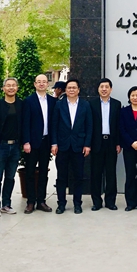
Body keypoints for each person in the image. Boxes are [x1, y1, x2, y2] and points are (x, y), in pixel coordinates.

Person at [51, 79, 92, 214]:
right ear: (66, 90)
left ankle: (77, 204)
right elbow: (54, 125)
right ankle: (61, 204)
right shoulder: (59, 104)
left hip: (78, 146)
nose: (72, 90)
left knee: (78, 176)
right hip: (62, 146)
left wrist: (87, 144)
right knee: (61, 177)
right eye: (69, 88)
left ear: (78, 90)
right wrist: (54, 143)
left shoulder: (85, 105)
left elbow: (89, 126)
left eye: (74, 88)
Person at [21, 74, 55, 214]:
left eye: (44, 82)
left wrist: (54, 143)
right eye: (39, 82)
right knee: (29, 172)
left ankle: (41, 201)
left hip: (46, 142)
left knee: (43, 172)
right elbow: (25, 123)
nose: (41, 84)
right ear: (35, 84)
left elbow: (54, 124)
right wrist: (26, 141)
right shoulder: (28, 101)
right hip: (32, 142)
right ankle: (30, 201)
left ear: (47, 84)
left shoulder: (53, 101)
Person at [0, 77, 23, 217]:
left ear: (17, 88)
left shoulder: (21, 104)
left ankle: (6, 204)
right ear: (3, 88)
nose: (11, 88)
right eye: (8, 85)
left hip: (15, 146)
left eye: (13, 85)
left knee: (10, 176)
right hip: (1, 146)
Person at [88, 78, 121, 211]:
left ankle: (110, 201)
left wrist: (118, 143)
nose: (104, 89)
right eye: (102, 87)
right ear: (98, 89)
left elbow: (118, 125)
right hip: (97, 142)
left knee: (111, 173)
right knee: (96, 173)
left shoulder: (117, 104)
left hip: (111, 142)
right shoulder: (92, 104)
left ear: (111, 89)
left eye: (107, 87)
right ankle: (96, 202)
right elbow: (89, 125)